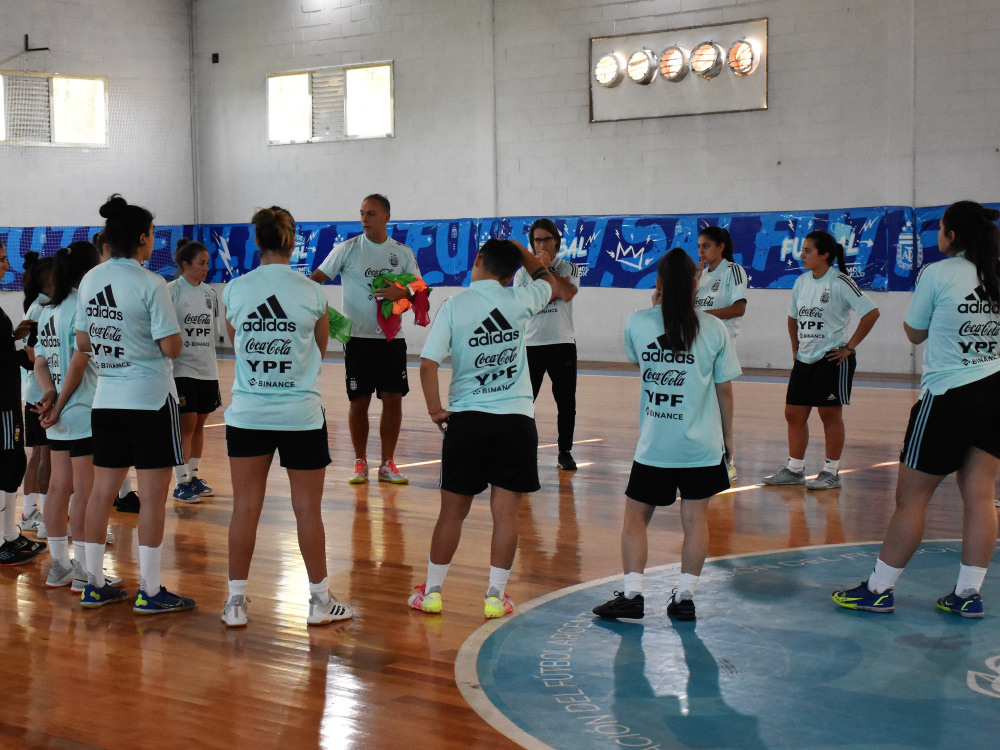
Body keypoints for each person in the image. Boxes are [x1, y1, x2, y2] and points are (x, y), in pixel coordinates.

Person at [833, 201, 1000, 618]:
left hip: (949, 396)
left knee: (911, 499)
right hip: (996, 394)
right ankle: (967, 595)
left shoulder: (939, 273)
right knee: (981, 496)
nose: (938, 235)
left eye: (941, 228)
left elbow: (914, 330)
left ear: (953, 235)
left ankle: (878, 589)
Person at [409, 238, 574, 619]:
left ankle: (431, 593)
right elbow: (548, 280)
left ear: (478, 258)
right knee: (506, 515)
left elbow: (427, 364)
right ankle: (495, 598)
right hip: (517, 422)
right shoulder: (521, 299)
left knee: (451, 514)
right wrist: (524, 252)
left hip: (468, 421)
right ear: (513, 270)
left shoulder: (454, 306)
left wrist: (436, 410)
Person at [593, 248, 741, 622]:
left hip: (656, 445)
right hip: (702, 447)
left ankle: (632, 596)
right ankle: (685, 598)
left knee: (635, 519)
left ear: (657, 283)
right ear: (696, 282)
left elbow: (635, 359)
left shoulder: (638, 322)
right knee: (695, 522)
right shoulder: (715, 328)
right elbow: (724, 391)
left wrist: (654, 306)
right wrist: (728, 440)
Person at [222, 206, 352, 628]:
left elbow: (234, 339)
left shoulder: (235, 290)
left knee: (245, 508)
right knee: (307, 510)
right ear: (292, 241)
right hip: (300, 414)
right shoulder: (312, 293)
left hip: (247, 413)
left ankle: (236, 602)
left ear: (256, 241)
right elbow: (321, 347)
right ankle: (318, 601)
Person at [75, 194, 194, 613]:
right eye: (153, 235)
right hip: (149, 401)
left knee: (99, 494)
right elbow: (172, 346)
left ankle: (91, 583)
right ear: (141, 238)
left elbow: (84, 341)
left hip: (106, 399)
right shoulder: (150, 283)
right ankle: (151, 589)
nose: (154, 242)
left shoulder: (91, 280)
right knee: (152, 497)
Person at [309, 194, 420, 485]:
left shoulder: (403, 252)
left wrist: (403, 293)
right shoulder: (346, 249)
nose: (364, 219)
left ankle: (388, 463)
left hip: (391, 339)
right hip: (357, 339)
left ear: (386, 217)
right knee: (359, 401)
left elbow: (419, 290)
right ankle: (360, 462)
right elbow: (315, 279)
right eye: (361, 214)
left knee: (393, 399)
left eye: (370, 213)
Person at [762, 230, 880, 490]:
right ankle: (794, 470)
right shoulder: (802, 282)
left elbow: (871, 313)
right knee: (794, 413)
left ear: (825, 255)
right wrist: (795, 350)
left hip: (832, 358)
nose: (801, 255)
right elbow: (793, 318)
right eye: (802, 250)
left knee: (829, 414)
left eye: (807, 250)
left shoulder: (840, 282)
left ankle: (830, 472)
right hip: (804, 359)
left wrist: (849, 347)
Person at [34, 242, 121, 590]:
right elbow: (78, 360)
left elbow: (39, 361)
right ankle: (84, 570)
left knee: (58, 487)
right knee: (85, 492)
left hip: (59, 415)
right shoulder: (80, 306)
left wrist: (49, 394)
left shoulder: (47, 311)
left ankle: (59, 566)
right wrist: (60, 400)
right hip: (82, 410)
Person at [513, 219, 581, 471]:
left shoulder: (569, 267)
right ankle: (523, 449)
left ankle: (565, 451)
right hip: (531, 345)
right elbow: (526, 304)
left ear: (556, 241)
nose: (542, 244)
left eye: (546, 239)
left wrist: (547, 272)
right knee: (524, 401)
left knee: (566, 402)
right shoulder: (521, 274)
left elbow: (567, 293)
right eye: (537, 240)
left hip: (562, 342)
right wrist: (550, 288)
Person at [0, 240, 47, 566]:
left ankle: (9, 536)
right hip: (0, 404)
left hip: (6, 399)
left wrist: (12, 337)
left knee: (12, 463)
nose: (6, 265)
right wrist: (24, 356)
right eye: (1, 259)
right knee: (8, 464)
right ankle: (4, 539)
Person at [93, 229, 142, 516]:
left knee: (100, 485)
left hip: (104, 392)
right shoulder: (142, 284)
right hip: (125, 390)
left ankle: (124, 494)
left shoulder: (92, 286)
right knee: (92, 484)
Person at [168, 238, 221, 503]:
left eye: (207, 263)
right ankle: (180, 482)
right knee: (186, 425)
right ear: (184, 264)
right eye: (201, 263)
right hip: (181, 368)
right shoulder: (171, 291)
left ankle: (194, 475)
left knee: (200, 424)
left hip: (207, 369)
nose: (206, 268)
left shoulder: (210, 294)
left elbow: (213, 331)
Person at [694, 226, 748, 482]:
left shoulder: (733, 271)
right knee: (701, 403)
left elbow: (739, 308)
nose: (701, 251)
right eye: (699, 246)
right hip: (697, 345)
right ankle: (705, 457)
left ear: (720, 247)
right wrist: (692, 282)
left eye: (706, 246)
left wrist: (704, 318)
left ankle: (728, 458)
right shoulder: (700, 275)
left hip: (720, 343)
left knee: (720, 398)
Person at [19, 252, 55, 535]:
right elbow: (30, 355)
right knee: (45, 455)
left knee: (39, 455)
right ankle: (43, 519)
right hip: (40, 392)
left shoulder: (38, 306)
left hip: (37, 390)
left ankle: (30, 512)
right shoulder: (41, 310)